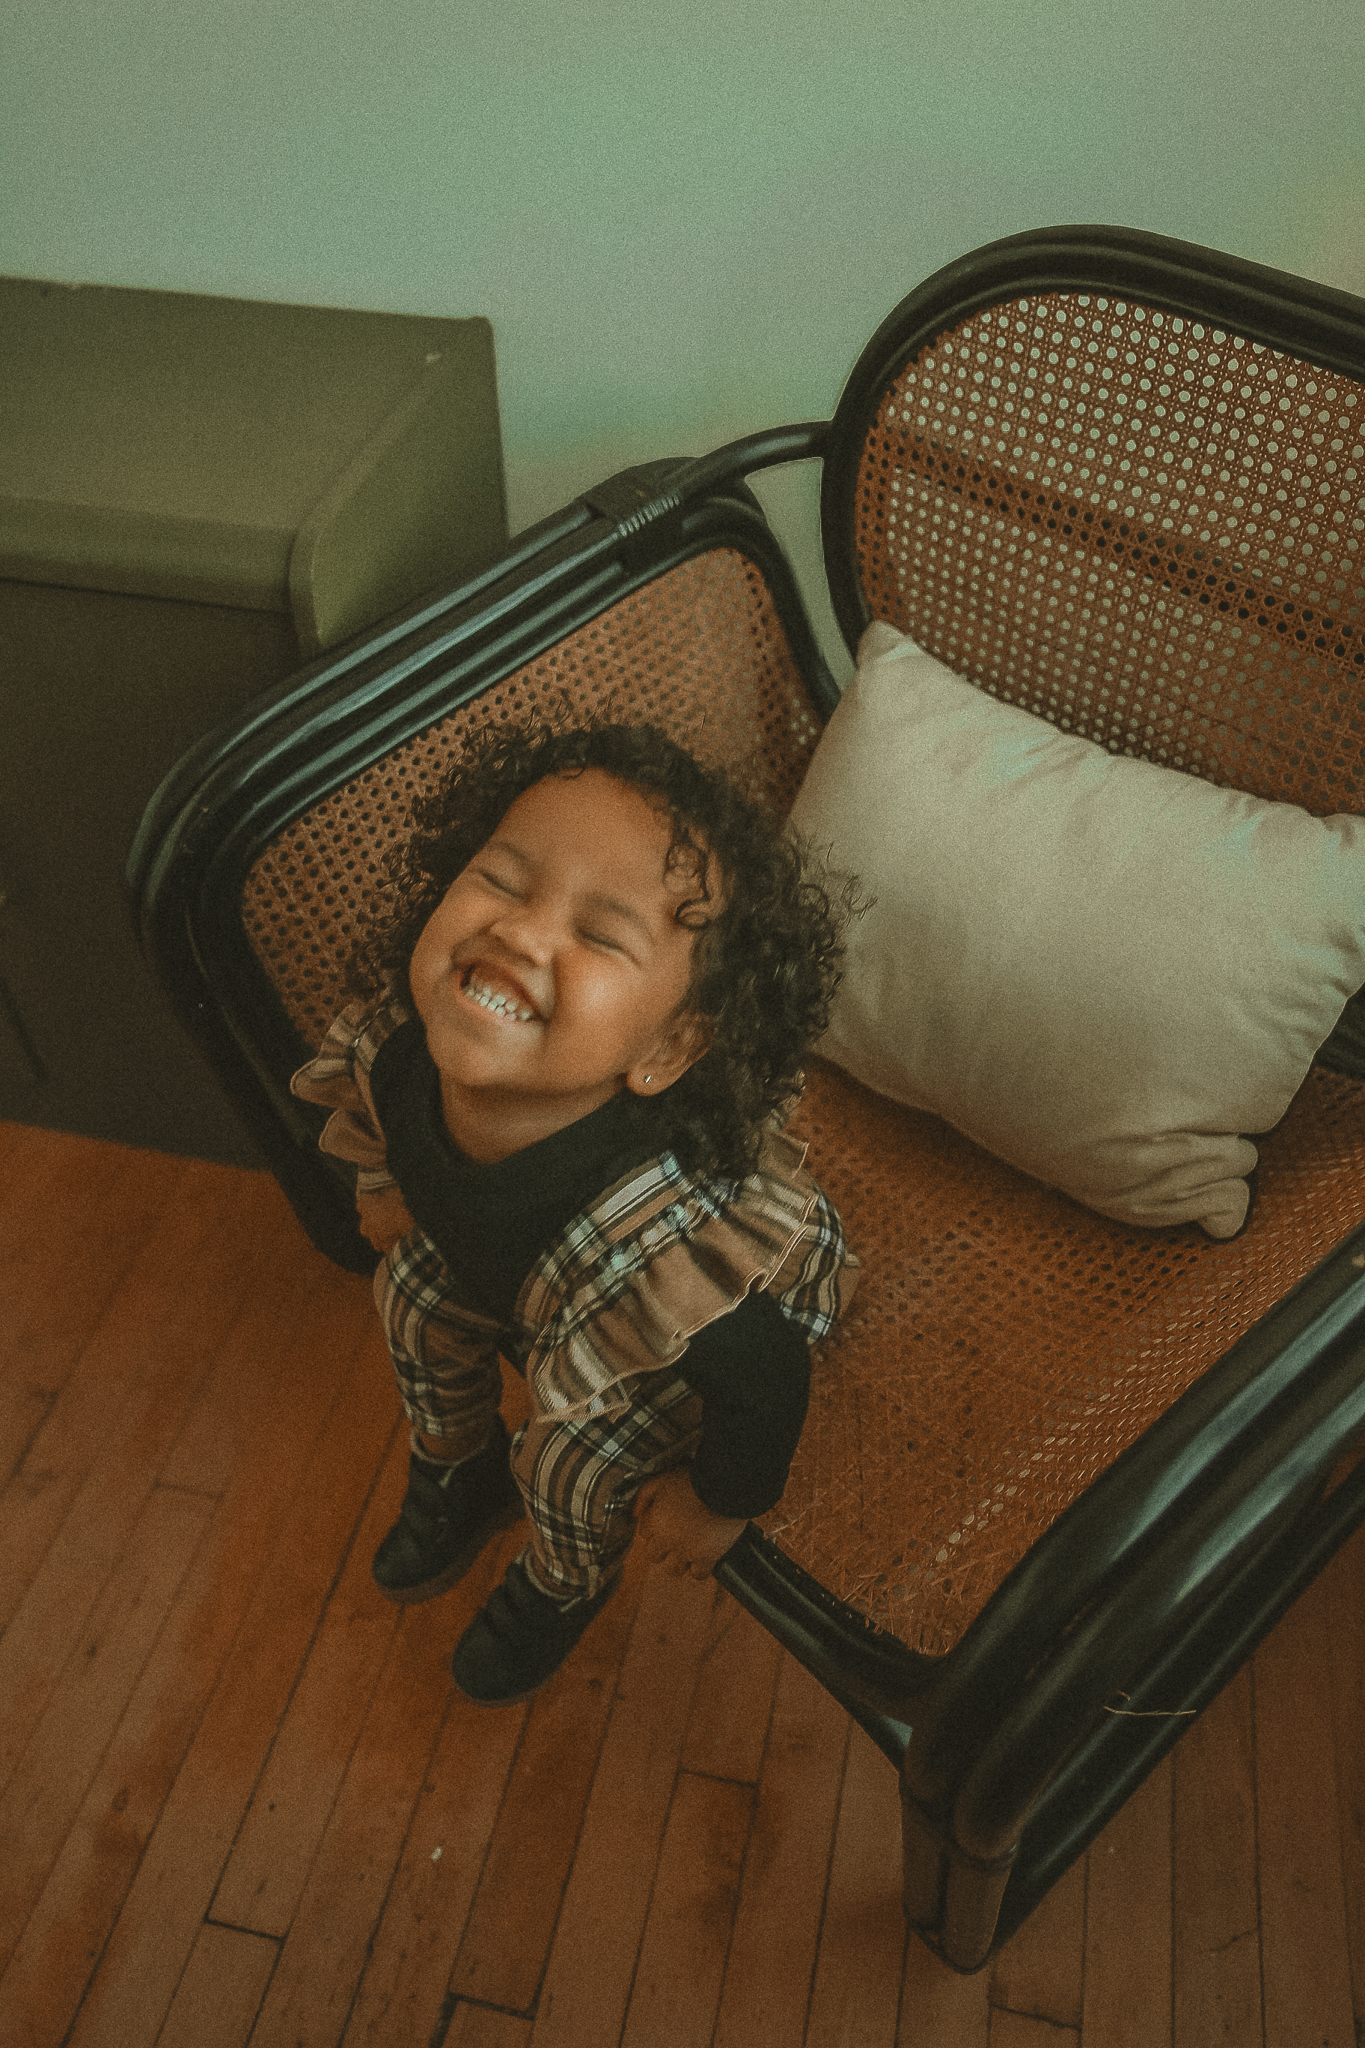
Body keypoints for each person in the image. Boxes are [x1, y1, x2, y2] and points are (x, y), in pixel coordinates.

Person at [291, 719, 858, 1705]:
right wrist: (385, 1193)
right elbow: (381, 1118)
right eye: (500, 881)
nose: (518, 930)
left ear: (670, 1046)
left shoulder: (664, 1244)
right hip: (514, 1270)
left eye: (600, 935)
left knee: (570, 1458)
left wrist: (724, 1502)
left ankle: (561, 1578)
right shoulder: (401, 1047)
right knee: (412, 1294)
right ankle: (460, 1466)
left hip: (659, 1344)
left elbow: (765, 1374)